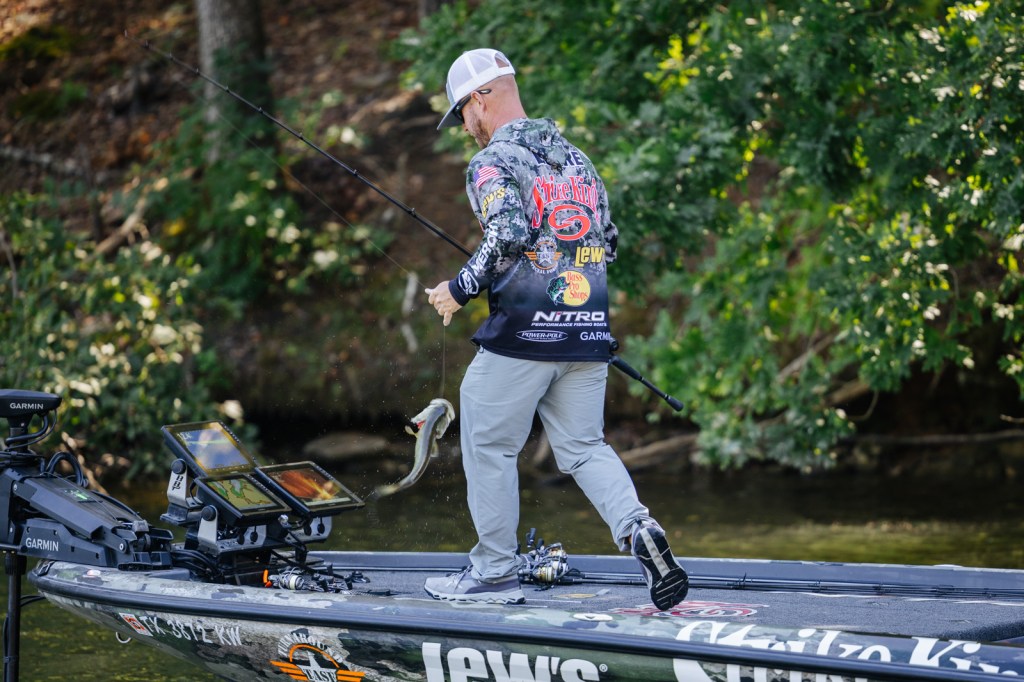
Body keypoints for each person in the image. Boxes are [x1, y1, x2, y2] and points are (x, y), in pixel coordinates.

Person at [422, 48, 688, 611]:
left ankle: (493, 573)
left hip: (525, 333)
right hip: (587, 331)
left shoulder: (492, 162)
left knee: (489, 443)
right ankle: (638, 527)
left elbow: (509, 233)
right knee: (584, 447)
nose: (464, 127)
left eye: (462, 113)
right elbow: (607, 240)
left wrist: (459, 288)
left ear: (480, 100)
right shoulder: (578, 160)